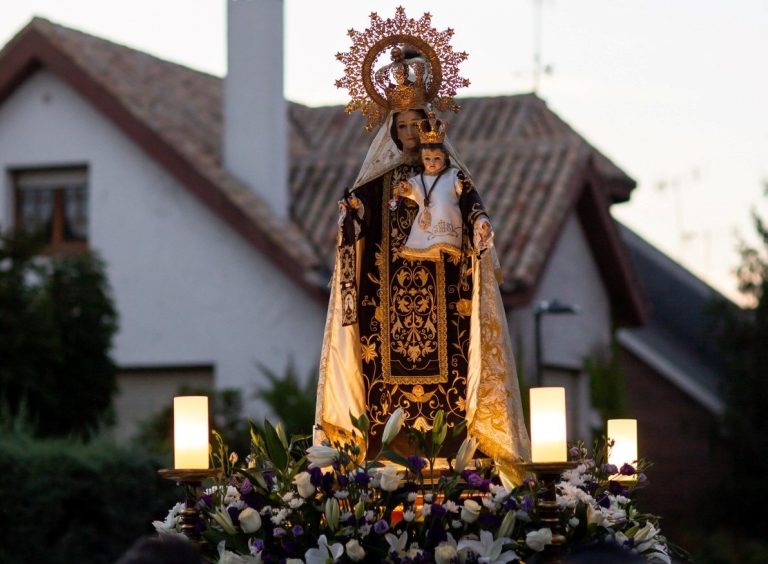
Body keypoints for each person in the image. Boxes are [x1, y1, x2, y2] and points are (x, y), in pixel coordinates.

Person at [317, 29, 530, 480]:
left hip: (445, 311)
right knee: (382, 391)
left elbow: (474, 209)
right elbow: (355, 230)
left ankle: (457, 449)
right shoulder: (374, 188)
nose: (411, 133)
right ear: (391, 130)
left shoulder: (452, 177)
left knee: (454, 379)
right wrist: (350, 218)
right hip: (386, 319)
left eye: (418, 124)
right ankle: (384, 450)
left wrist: (479, 227)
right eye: (403, 125)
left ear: (431, 126)